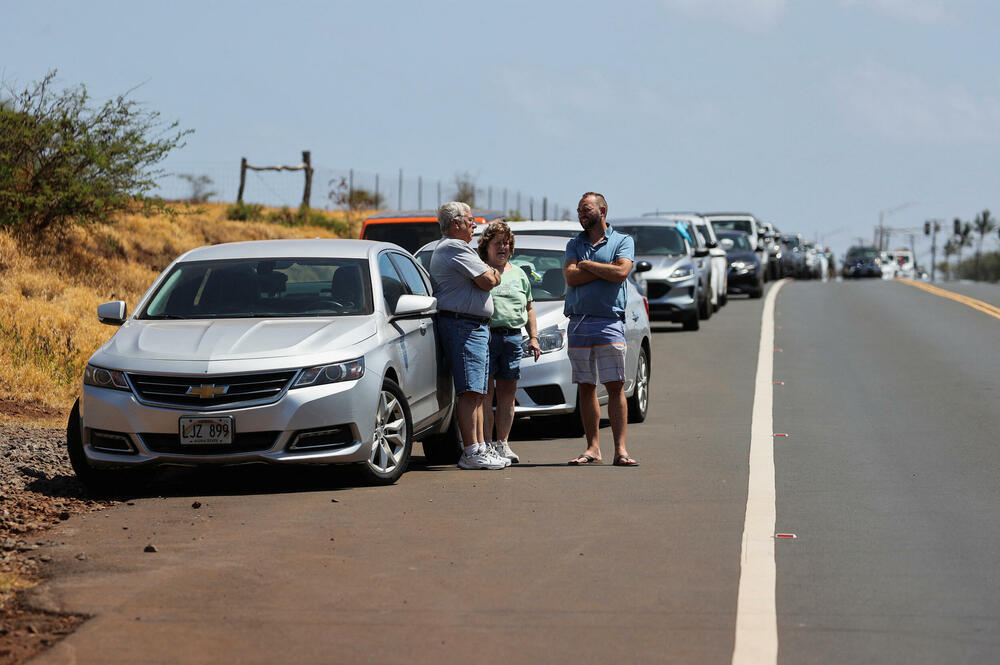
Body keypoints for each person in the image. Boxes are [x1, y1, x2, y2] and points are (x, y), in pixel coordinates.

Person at [428, 202, 507, 470]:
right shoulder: (454, 247)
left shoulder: (460, 248)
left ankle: (480, 446)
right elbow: (487, 280)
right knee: (470, 391)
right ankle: (471, 450)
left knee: (477, 392)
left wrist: (489, 274)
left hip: (473, 326)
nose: (475, 225)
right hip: (463, 326)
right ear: (455, 224)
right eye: (471, 221)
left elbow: (485, 277)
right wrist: (493, 273)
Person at [562, 192, 639, 466]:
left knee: (615, 385)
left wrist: (588, 265)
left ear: (602, 211)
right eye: (579, 210)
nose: (581, 214)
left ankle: (621, 450)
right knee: (585, 385)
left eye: (586, 209)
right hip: (580, 322)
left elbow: (621, 273)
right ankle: (592, 447)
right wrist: (605, 268)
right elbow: (571, 277)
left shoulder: (622, 241)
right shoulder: (574, 243)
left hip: (609, 321)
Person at [478, 221, 541, 464]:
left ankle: (502, 443)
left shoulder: (519, 274)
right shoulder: (482, 271)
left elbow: (529, 308)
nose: (503, 247)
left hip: (513, 338)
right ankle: (485, 445)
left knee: (507, 393)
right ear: (487, 247)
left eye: (506, 243)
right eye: (497, 243)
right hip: (487, 337)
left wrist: (533, 337)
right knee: (486, 394)